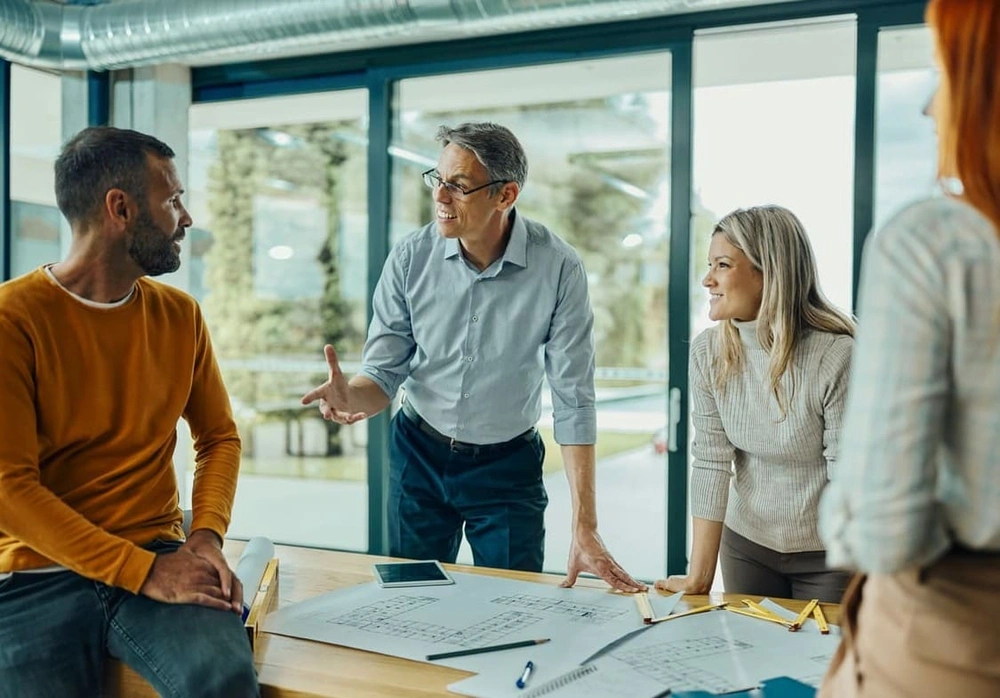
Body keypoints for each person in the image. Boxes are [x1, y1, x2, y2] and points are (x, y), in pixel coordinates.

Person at [302, 121, 643, 592]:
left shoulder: (558, 267)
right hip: (418, 454)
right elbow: (383, 374)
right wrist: (351, 395)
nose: (440, 196)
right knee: (409, 600)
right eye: (438, 179)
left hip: (508, 467)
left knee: (512, 606)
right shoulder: (410, 258)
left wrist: (585, 525)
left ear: (506, 195)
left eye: (459, 186)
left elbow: (574, 399)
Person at [0, 127, 259, 698]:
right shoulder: (11, 321)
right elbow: (8, 489)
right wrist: (144, 573)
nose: (186, 218)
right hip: (35, 573)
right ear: (120, 208)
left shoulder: (181, 315)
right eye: (172, 200)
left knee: (224, 681)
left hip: (158, 548)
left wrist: (207, 537)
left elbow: (218, 436)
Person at [819, 1, 1000, 695]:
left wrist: (840, 515)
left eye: (945, 73)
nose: (931, 107)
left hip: (955, 634)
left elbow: (882, 528)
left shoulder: (935, 244)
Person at [656, 205, 854, 602]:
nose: (707, 279)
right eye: (710, 265)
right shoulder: (707, 352)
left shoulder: (836, 355)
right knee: (747, 644)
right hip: (747, 546)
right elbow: (711, 460)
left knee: (821, 646)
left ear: (767, 274)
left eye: (723, 265)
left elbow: (849, 480)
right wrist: (699, 577)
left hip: (830, 555)